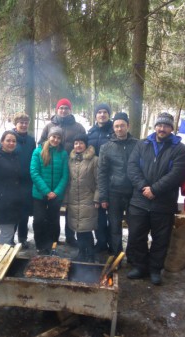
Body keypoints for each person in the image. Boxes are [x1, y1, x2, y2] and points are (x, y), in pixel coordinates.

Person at [126, 112, 185, 285]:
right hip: (139, 201)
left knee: (160, 239)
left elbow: (177, 173)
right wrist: (143, 187)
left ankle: (155, 269)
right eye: (159, 125)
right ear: (155, 126)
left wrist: (155, 190)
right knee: (137, 236)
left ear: (171, 128)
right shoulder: (142, 144)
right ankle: (140, 266)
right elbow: (132, 167)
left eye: (166, 126)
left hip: (163, 202)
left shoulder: (179, 149)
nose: (162, 129)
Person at [39, 98, 86, 247]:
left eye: (66, 108)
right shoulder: (49, 126)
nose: (63, 110)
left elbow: (84, 143)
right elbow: (41, 143)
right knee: (53, 206)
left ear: (70, 110)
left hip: (73, 167)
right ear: (56, 109)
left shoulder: (78, 127)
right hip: (53, 169)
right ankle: (51, 237)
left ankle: (71, 236)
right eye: (61, 108)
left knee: (71, 204)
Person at [97, 112, 138, 258]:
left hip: (134, 193)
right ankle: (116, 255)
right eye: (116, 126)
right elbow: (102, 173)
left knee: (135, 227)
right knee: (114, 227)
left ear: (128, 126)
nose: (119, 129)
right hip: (114, 192)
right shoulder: (106, 147)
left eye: (122, 126)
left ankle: (133, 256)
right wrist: (103, 197)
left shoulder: (137, 145)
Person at [31, 126, 69, 254]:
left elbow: (65, 175)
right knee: (39, 220)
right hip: (39, 194)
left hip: (56, 195)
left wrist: (56, 192)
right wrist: (47, 191)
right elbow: (34, 172)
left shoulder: (63, 154)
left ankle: (52, 245)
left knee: (54, 220)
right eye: (53, 136)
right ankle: (40, 245)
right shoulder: (38, 151)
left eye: (58, 137)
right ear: (49, 137)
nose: (56, 139)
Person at [65, 134, 99, 262]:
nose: (78, 146)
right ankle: (81, 252)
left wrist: (97, 198)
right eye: (76, 143)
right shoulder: (71, 160)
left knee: (86, 229)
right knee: (78, 229)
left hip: (88, 199)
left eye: (81, 143)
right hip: (74, 199)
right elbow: (68, 181)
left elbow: (99, 181)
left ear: (86, 145)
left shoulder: (94, 160)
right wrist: (66, 200)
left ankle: (90, 254)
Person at [87, 103, 114, 254]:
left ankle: (112, 243)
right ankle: (101, 241)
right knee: (98, 214)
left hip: (111, 176)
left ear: (109, 115)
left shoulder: (113, 131)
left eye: (105, 112)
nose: (102, 115)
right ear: (95, 115)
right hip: (94, 178)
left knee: (112, 215)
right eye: (99, 112)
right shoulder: (90, 132)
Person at [10, 113, 36, 248]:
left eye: (26, 122)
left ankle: (22, 237)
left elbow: (34, 158)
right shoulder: (9, 137)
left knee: (24, 212)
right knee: (13, 211)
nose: (24, 125)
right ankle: (9, 238)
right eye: (21, 122)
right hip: (13, 181)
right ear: (16, 124)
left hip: (27, 181)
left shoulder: (31, 140)